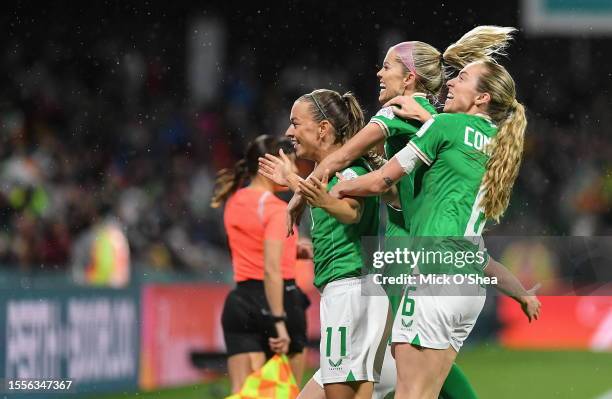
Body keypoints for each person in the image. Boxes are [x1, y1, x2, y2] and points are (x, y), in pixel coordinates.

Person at [328, 26, 540, 399]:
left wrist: (336, 187)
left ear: (482, 97)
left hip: (430, 274)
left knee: (411, 393)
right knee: (428, 392)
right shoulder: (498, 143)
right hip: (468, 288)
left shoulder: (444, 125)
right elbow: (455, 147)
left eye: (462, 78)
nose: (451, 84)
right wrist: (521, 293)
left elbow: (380, 182)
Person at [270, 88, 393, 399]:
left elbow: (351, 212)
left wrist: (295, 184)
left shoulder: (349, 171)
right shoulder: (329, 171)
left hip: (350, 295)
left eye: (296, 123)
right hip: (348, 295)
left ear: (323, 128)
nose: (289, 132)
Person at [211, 135, 310, 393]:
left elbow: (252, 246)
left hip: (240, 303)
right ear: (271, 164)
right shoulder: (277, 209)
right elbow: (271, 269)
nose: (295, 172)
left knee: (243, 394)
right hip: (279, 301)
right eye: (290, 164)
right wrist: (278, 322)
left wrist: (293, 249)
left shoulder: (233, 201)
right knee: (286, 393)